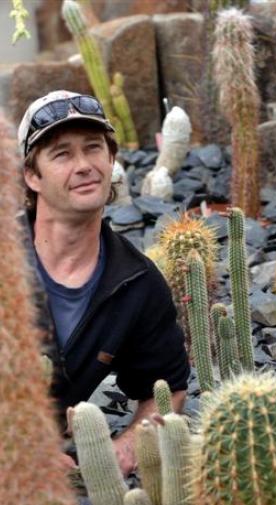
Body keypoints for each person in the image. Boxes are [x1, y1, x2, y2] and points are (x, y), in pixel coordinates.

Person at [17, 90, 190, 476]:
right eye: (62, 154)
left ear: (111, 160)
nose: (84, 165)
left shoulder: (136, 284)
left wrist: (123, 450)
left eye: (94, 149)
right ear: (32, 176)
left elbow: (167, 389)